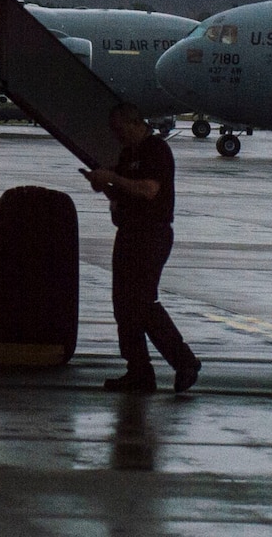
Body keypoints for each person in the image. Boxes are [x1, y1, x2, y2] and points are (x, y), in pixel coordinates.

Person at [83, 102, 201, 394]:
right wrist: (104, 185)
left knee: (142, 302)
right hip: (129, 233)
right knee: (124, 304)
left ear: (135, 124)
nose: (118, 137)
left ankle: (184, 361)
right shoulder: (129, 153)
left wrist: (112, 178)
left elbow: (149, 189)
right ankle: (138, 370)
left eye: (120, 130)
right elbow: (125, 190)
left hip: (151, 234)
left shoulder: (155, 150)